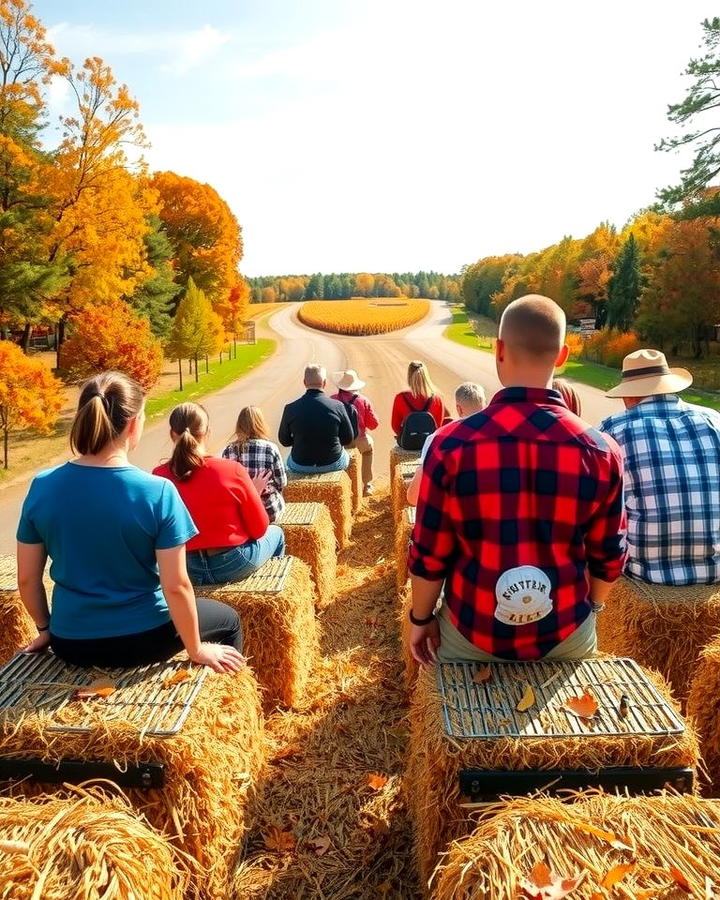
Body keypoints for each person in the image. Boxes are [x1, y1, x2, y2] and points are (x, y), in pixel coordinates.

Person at [407, 294, 627, 667]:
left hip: (473, 630)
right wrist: (592, 607)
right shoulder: (602, 450)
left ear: (499, 350)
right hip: (565, 631)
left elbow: (430, 554)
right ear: (562, 355)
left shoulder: (451, 444)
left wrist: (420, 618)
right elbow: (609, 555)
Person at [15, 372, 245, 673]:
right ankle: (230, 703)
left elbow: (27, 580)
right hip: (145, 639)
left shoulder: (42, 486)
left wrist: (46, 628)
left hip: (69, 641)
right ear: (134, 424)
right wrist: (196, 648)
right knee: (228, 621)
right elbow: (175, 586)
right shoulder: (157, 491)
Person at [599, 348, 720, 585]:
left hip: (643, 575)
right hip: (715, 572)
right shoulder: (714, 421)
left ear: (630, 396)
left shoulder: (612, 431)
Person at [154, 403, 285, 585]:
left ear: (171, 434)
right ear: (207, 432)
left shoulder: (159, 476)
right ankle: (270, 592)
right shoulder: (232, 470)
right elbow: (260, 528)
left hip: (187, 567)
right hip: (234, 563)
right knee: (277, 533)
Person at [406, 382, 486, 506]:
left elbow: (414, 497)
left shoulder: (436, 438)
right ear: (485, 405)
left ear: (459, 409)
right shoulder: (502, 435)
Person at [278, 364, 354, 473]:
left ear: (304, 383)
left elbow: (284, 441)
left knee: (287, 462)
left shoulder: (290, 408)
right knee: (347, 456)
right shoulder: (337, 406)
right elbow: (347, 439)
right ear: (324, 383)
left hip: (300, 464)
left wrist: (299, 440)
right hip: (332, 463)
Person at [222, 406, 287, 522]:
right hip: (268, 510)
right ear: (260, 424)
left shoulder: (228, 450)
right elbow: (282, 482)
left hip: (240, 511)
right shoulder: (270, 448)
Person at [331, 369, 379, 495]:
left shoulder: (332, 399)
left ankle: (345, 484)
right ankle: (367, 484)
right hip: (359, 440)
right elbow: (374, 425)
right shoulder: (363, 400)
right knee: (368, 449)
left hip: (340, 442)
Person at [391, 361, 447, 448]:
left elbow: (395, 426)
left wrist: (407, 437)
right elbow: (438, 427)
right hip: (429, 444)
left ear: (409, 377)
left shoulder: (400, 398)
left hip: (408, 443)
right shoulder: (437, 398)